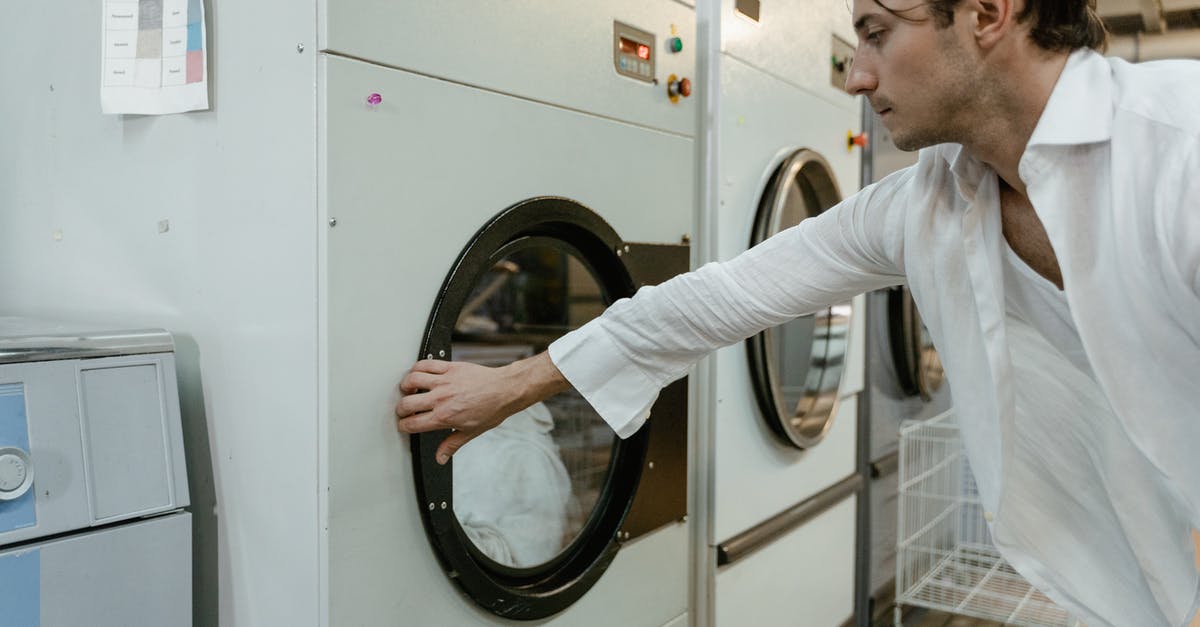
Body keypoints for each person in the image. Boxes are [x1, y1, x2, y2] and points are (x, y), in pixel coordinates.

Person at [396, 0, 1200, 624]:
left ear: (988, 14)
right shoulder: (929, 204)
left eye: (878, 34)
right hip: (1132, 587)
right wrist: (519, 383)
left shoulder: (1178, 150)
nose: (856, 76)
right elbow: (725, 295)